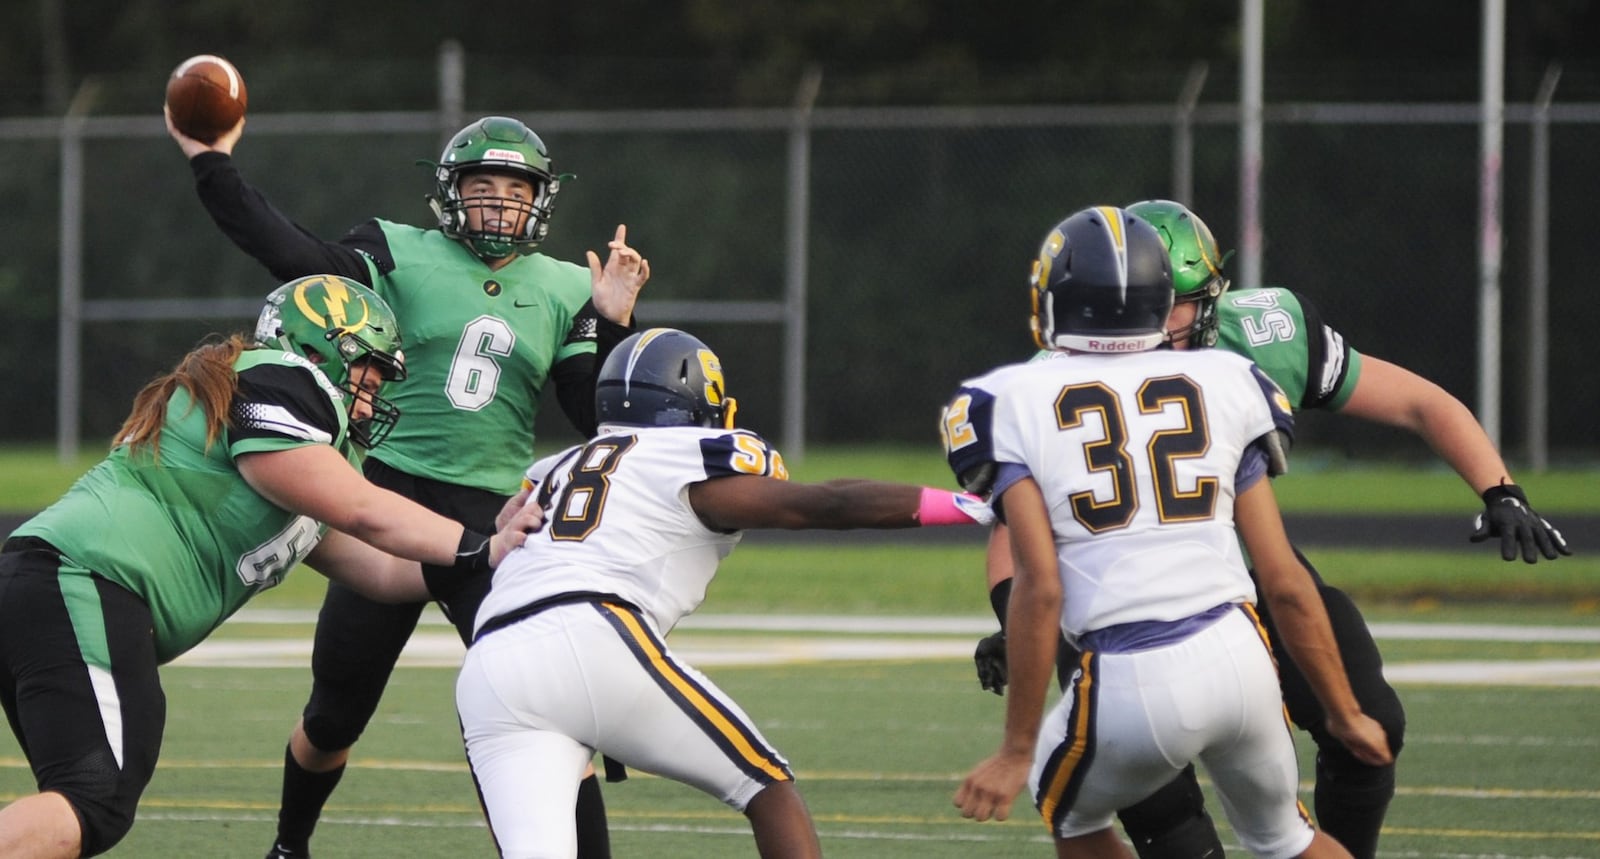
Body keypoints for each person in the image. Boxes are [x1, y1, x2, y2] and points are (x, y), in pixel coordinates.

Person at [972, 199, 1571, 858]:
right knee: (1168, 814)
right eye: (1149, 300)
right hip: (1109, 597)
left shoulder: (1254, 339)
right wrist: (1016, 619)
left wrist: (1501, 488)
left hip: (1231, 577)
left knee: (1368, 728)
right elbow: (1010, 537)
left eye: (1176, 303)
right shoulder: (1059, 383)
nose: (1160, 323)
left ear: (1210, 299)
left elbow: (1417, 401)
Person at [167, 112, 648, 859]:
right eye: (479, 185)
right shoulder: (398, 250)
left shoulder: (564, 286)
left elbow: (596, 414)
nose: (496, 201)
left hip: (498, 520)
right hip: (384, 500)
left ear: (540, 200)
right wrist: (211, 162)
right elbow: (287, 252)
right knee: (334, 713)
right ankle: (289, 847)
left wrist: (613, 321)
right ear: (449, 193)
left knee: (536, 711)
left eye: (513, 188)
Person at [0, 275, 545, 859]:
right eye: (368, 374)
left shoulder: (296, 456)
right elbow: (364, 511)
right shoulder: (278, 377)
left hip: (57, 587)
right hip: (83, 581)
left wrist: (491, 548)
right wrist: (477, 545)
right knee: (93, 800)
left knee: (82, 802)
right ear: (319, 351)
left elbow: (380, 571)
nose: (372, 397)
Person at [944, 206, 1393, 859]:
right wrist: (1343, 710)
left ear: (1057, 298)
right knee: (1288, 839)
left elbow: (1041, 588)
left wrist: (1015, 749)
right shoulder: (1229, 379)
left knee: (1068, 809)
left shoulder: (1004, 400)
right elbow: (1285, 579)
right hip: (1241, 654)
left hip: (1131, 673)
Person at [454, 327, 995, 859]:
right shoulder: (685, 455)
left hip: (490, 666)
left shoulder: (555, 468)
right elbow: (825, 505)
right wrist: (973, 506)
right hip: (591, 633)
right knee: (765, 786)